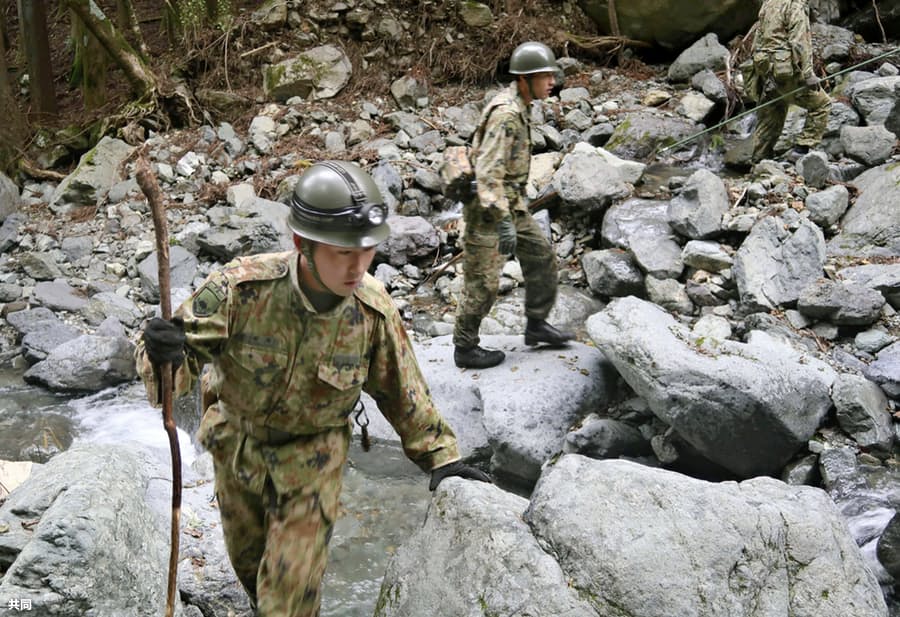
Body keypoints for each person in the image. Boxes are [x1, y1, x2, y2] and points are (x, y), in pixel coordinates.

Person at [136, 160, 490, 617]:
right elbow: (171, 372)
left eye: (366, 252)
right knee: (253, 575)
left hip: (312, 460)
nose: (358, 266)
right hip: (234, 448)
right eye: (343, 253)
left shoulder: (371, 310)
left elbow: (402, 390)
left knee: (288, 600)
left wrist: (442, 458)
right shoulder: (241, 290)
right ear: (303, 244)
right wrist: (162, 353)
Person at [452, 41, 573, 370]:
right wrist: (502, 220)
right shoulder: (506, 114)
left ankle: (536, 325)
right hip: (488, 210)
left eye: (552, 75)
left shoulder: (523, 104)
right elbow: (488, 173)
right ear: (524, 79)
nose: (552, 82)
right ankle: (464, 346)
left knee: (541, 258)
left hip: (512, 203)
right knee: (484, 282)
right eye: (544, 76)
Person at [749, 0, 831, 162]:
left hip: (767, 69)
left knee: (771, 116)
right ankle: (801, 150)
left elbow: (758, 39)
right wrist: (808, 74)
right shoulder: (794, 5)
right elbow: (800, 42)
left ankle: (759, 161)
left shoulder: (769, 3)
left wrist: (761, 68)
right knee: (822, 104)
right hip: (786, 73)